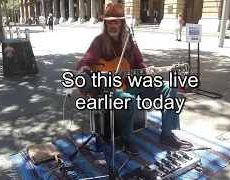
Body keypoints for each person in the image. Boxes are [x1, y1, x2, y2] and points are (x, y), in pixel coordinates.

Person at [76, 3, 193, 156]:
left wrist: (147, 69)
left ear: (122, 23)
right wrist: (85, 73)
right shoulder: (99, 41)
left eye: (116, 21)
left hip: (133, 83)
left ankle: (167, 134)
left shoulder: (129, 40)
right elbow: (85, 62)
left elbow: (139, 61)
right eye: (109, 22)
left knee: (169, 87)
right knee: (128, 100)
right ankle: (126, 139)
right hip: (112, 89)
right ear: (105, 23)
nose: (113, 25)